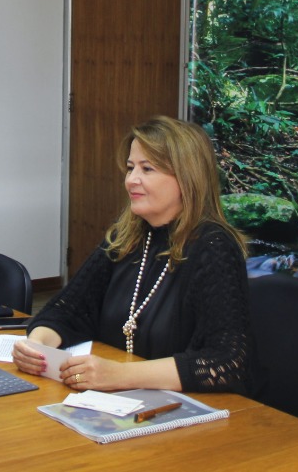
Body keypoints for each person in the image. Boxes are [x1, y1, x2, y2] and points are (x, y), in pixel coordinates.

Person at [13, 116, 252, 394]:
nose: (131, 180)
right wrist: (38, 347)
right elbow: (67, 310)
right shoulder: (126, 236)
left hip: (188, 412)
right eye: (130, 168)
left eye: (147, 169)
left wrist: (121, 375)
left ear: (187, 178)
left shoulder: (213, 247)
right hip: (118, 401)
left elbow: (227, 361)